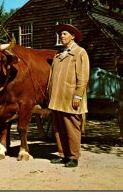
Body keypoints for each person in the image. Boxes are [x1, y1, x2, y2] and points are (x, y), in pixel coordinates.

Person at [48, 24, 90, 168]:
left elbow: (83, 77)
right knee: (59, 128)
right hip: (57, 99)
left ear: (73, 36)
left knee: (72, 127)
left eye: (65, 33)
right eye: (60, 34)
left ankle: (73, 157)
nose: (62, 36)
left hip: (70, 98)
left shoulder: (80, 52)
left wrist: (78, 96)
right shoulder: (58, 55)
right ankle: (63, 155)